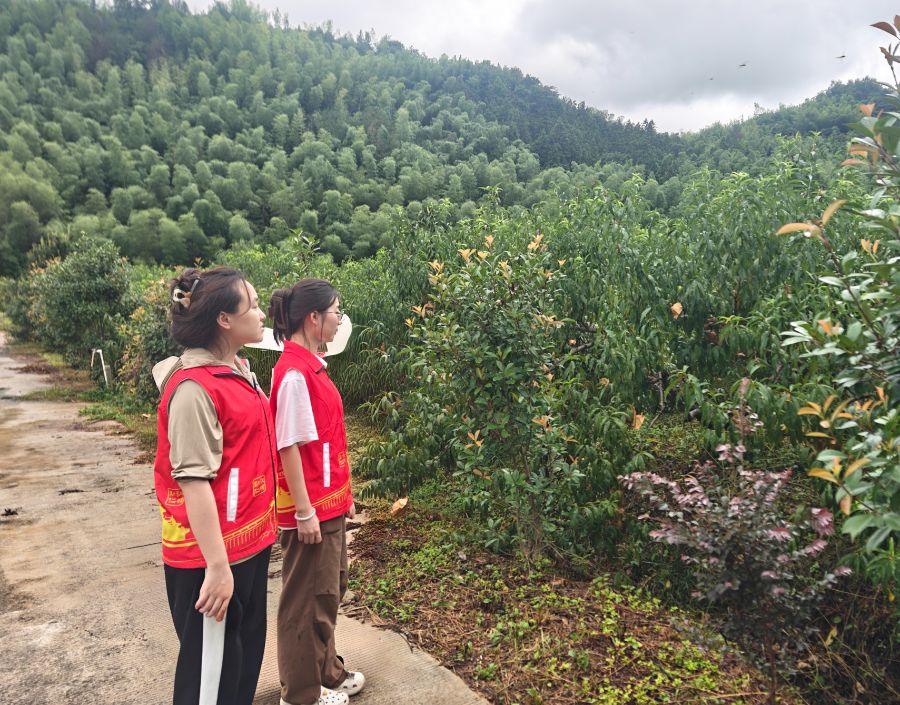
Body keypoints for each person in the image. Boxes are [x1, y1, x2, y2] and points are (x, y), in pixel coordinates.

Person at [152, 267, 278, 705]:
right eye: (253, 305)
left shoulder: (237, 369)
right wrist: (218, 567)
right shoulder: (193, 388)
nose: (261, 314)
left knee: (240, 667)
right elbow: (193, 481)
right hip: (212, 557)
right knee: (210, 682)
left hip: (247, 545)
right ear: (224, 319)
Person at [268, 279, 364, 705]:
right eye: (336, 311)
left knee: (327, 590)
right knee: (307, 600)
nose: (339, 319)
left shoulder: (311, 366)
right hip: (311, 511)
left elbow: (324, 441)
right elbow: (287, 445)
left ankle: (327, 672)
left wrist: (343, 496)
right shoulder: (294, 373)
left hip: (327, 504)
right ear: (313, 317)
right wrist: (304, 512)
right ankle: (301, 693)